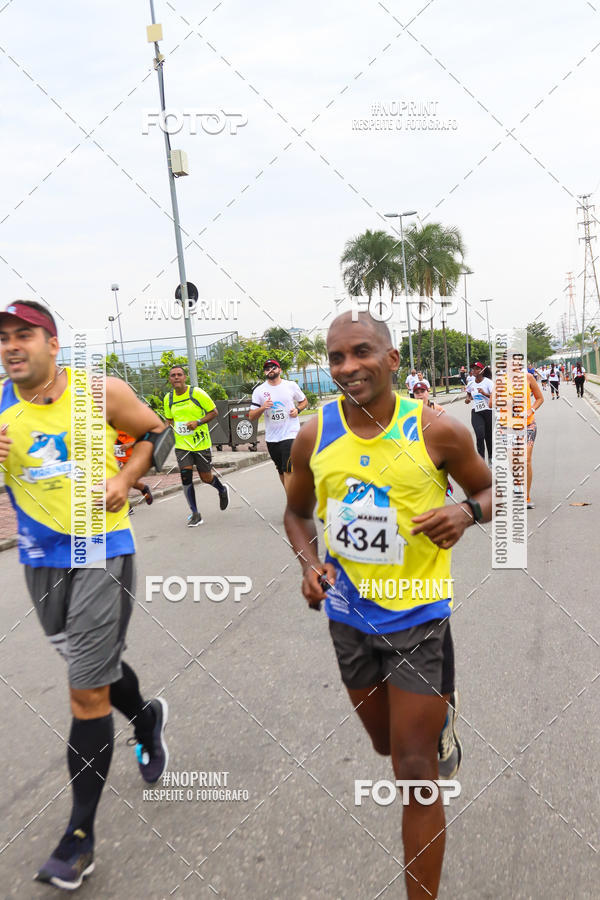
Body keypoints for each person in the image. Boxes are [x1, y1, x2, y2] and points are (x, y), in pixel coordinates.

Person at [284, 311, 492, 900]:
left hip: (419, 618)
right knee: (384, 744)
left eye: (362, 352)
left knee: (414, 771)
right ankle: (438, 719)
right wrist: (309, 564)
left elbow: (490, 489)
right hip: (348, 618)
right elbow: (296, 514)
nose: (348, 366)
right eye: (336, 357)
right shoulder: (314, 434)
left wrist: (465, 512)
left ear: (392, 359)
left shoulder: (437, 430)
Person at [0, 300, 170, 890]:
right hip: (39, 558)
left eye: (24, 335)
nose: (11, 346)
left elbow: (157, 433)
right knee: (89, 668)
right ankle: (146, 718)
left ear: (52, 343)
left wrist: (125, 477)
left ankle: (78, 839)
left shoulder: (100, 392)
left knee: (86, 689)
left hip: (100, 548)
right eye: (4, 337)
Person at [163, 364, 229, 526]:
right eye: (173, 375)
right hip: (182, 446)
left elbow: (214, 412)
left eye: (179, 374)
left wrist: (198, 422)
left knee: (206, 477)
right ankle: (195, 513)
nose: (176, 377)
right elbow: (169, 420)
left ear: (184, 377)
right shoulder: (168, 398)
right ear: (170, 379)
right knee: (185, 477)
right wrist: (164, 432)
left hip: (201, 443)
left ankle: (222, 489)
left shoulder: (196, 393)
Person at [249, 358, 308, 489]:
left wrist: (298, 410)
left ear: (280, 370)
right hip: (272, 437)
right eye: (267, 368)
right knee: (281, 470)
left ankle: (292, 500)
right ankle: (291, 494)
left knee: (288, 469)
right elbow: (252, 416)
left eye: (273, 367)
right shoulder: (259, 391)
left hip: (290, 434)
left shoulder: (290, 385)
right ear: (265, 372)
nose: (270, 370)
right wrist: (263, 407)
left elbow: (304, 401)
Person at [493, 362, 544, 509]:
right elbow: (492, 403)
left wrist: (531, 410)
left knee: (526, 460)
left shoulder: (528, 378)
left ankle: (526, 497)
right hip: (507, 426)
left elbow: (540, 398)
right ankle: (517, 484)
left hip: (528, 425)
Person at [114, 429, 153, 513]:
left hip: (132, 456)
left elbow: (146, 436)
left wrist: (130, 444)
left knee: (128, 481)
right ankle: (126, 506)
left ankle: (143, 488)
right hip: (116, 457)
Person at [464, 362, 493, 463]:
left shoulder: (488, 382)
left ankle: (491, 457)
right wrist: (468, 399)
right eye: (473, 369)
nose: (474, 371)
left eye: (477, 369)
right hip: (476, 411)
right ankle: (481, 460)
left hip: (488, 411)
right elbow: (468, 393)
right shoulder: (471, 383)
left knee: (488, 436)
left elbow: (495, 396)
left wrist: (484, 393)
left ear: (482, 371)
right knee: (480, 435)